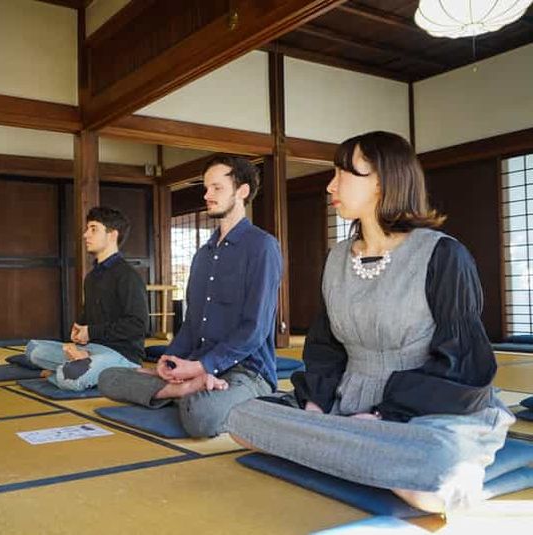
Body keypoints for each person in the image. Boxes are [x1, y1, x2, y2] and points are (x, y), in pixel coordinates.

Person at [227, 131, 514, 513]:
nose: (331, 185)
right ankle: (358, 449)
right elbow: (324, 347)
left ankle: (343, 446)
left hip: (424, 410)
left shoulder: (443, 255)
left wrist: (384, 414)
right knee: (243, 417)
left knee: (435, 465)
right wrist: (316, 401)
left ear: (381, 180)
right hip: (345, 399)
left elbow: (464, 361)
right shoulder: (337, 258)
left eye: (343, 174)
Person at [98, 155, 282, 437]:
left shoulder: (263, 247)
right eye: (206, 188)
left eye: (217, 188)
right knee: (108, 377)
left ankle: (187, 395)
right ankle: (182, 390)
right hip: (196, 367)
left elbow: (254, 330)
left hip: (245, 372)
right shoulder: (203, 254)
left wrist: (202, 366)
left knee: (201, 416)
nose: (207, 195)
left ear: (242, 192)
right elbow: (193, 323)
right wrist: (171, 360)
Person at [25, 206, 148, 391]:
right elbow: (87, 317)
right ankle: (74, 367)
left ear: (112, 235)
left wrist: (90, 332)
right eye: (87, 229)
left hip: (120, 355)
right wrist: (77, 338)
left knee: (71, 377)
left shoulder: (128, 276)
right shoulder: (91, 277)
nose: (85, 235)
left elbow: (138, 325)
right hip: (90, 350)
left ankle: (61, 372)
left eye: (93, 229)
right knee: (33, 349)